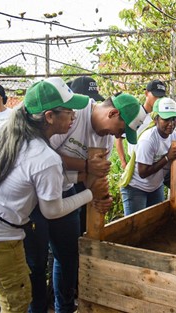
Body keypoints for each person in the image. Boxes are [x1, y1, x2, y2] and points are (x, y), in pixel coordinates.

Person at [0, 77, 111, 312]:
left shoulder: (8, 130)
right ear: (49, 116)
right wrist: (90, 193)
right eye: (69, 112)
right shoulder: (45, 157)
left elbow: (33, 178)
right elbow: (52, 210)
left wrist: (79, 178)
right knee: (16, 300)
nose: (74, 117)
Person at [24, 91, 146, 313]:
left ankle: (65, 309)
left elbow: (93, 178)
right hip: (33, 198)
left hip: (66, 190)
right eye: (121, 130)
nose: (119, 137)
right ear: (113, 113)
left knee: (68, 258)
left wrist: (100, 197)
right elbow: (41, 153)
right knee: (36, 264)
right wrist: (86, 166)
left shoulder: (106, 139)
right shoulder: (73, 115)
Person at [124, 97, 176, 215]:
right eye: (166, 119)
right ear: (156, 119)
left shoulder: (175, 137)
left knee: (156, 222)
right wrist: (167, 157)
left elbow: (174, 164)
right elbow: (143, 173)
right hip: (136, 188)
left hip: (155, 186)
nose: (171, 124)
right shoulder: (148, 140)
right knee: (136, 226)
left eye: (173, 119)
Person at [116, 79, 167, 213]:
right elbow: (119, 138)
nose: (158, 99)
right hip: (136, 182)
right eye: (155, 95)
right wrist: (123, 162)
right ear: (146, 94)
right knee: (134, 225)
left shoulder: (163, 118)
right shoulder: (135, 114)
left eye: (161, 96)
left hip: (156, 183)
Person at [69, 76, 106, 235]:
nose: (90, 103)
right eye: (86, 100)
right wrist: (86, 167)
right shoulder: (68, 121)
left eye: (93, 99)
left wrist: (103, 196)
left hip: (82, 181)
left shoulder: (102, 131)